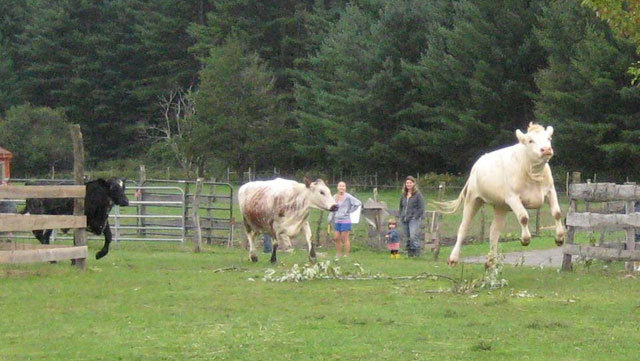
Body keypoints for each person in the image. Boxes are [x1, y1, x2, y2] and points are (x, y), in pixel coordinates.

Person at [327, 181, 361, 258]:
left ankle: (347, 254)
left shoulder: (348, 197)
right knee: (336, 238)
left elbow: (358, 203)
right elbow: (332, 207)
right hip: (337, 220)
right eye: (340, 186)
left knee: (344, 238)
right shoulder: (334, 196)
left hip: (345, 220)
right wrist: (330, 217)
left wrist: (349, 211)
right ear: (337, 187)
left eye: (343, 186)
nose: (341, 187)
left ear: (345, 188)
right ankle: (338, 254)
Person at [399, 175, 424, 257]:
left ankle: (416, 253)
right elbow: (401, 206)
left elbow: (421, 207)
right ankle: (410, 253)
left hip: (414, 219)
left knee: (413, 236)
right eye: (407, 183)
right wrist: (401, 215)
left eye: (410, 183)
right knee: (407, 236)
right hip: (404, 218)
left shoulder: (417, 195)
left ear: (413, 184)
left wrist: (416, 216)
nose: (408, 184)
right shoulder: (404, 194)